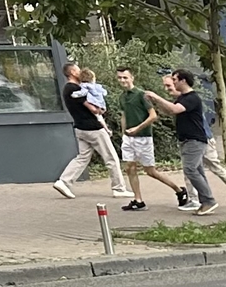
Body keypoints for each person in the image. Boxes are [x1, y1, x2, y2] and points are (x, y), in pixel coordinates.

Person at [107, 67, 188, 211]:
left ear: (132, 78)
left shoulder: (141, 95)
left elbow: (153, 116)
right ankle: (138, 200)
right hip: (129, 138)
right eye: (119, 78)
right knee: (129, 168)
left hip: (143, 137)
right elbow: (124, 115)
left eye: (125, 77)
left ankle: (179, 190)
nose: (122, 80)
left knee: (150, 171)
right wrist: (123, 133)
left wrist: (137, 128)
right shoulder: (122, 97)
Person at [53, 64, 129, 200]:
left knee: (82, 157)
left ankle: (63, 182)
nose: (80, 71)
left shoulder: (66, 89)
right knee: (111, 158)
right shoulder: (76, 88)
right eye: (77, 69)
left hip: (80, 128)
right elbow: (93, 109)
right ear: (71, 72)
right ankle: (119, 188)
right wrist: (100, 110)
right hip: (93, 128)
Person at [147, 70, 217, 215]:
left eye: (174, 79)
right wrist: (155, 102)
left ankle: (208, 200)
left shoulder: (191, 98)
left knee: (190, 169)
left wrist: (156, 97)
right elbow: (170, 111)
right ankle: (206, 201)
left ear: (183, 80)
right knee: (197, 170)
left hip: (194, 139)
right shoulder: (183, 97)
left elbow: (175, 109)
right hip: (188, 139)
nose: (172, 82)